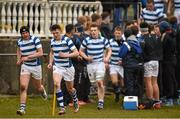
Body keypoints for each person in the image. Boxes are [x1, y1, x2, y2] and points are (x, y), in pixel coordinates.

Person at [47, 24, 79, 115]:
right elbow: (51, 52)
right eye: (53, 33)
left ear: (60, 31)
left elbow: (76, 53)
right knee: (57, 84)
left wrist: (66, 55)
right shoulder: (52, 41)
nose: (55, 35)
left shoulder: (67, 40)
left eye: (57, 33)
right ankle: (62, 107)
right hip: (58, 67)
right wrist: (50, 62)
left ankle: (75, 100)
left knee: (70, 89)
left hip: (68, 68)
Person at [16, 26, 47, 115]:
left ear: (29, 33)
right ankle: (22, 108)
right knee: (23, 86)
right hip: (25, 66)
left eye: (26, 33)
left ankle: (42, 90)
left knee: (38, 87)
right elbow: (18, 50)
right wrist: (18, 59)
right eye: (23, 33)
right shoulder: (19, 41)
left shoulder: (35, 39)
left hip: (36, 66)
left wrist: (27, 57)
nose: (25, 35)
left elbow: (40, 53)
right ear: (21, 34)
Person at [79, 23, 112, 109]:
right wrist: (86, 57)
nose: (93, 32)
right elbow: (81, 51)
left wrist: (107, 58)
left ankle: (100, 102)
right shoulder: (86, 40)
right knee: (94, 84)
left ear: (98, 31)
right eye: (92, 31)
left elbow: (109, 50)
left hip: (100, 63)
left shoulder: (103, 40)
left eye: (95, 30)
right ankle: (99, 96)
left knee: (99, 82)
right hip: (90, 65)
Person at [140, 22, 162, 107]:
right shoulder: (156, 37)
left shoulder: (143, 38)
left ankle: (150, 102)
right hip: (156, 61)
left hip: (148, 61)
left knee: (148, 82)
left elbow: (142, 51)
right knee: (155, 82)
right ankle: (157, 103)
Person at [119, 25, 144, 98]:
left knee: (129, 83)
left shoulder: (126, 43)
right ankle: (138, 100)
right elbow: (140, 52)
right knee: (137, 83)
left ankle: (130, 101)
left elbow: (121, 54)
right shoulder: (138, 42)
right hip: (138, 65)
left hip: (129, 66)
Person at [109, 26, 124, 102]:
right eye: (116, 33)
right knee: (114, 82)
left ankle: (123, 97)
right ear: (114, 33)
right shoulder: (110, 41)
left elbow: (126, 53)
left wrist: (122, 61)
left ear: (122, 34)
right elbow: (107, 52)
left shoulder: (124, 42)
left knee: (122, 83)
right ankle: (117, 93)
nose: (117, 34)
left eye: (119, 33)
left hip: (121, 65)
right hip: (113, 65)